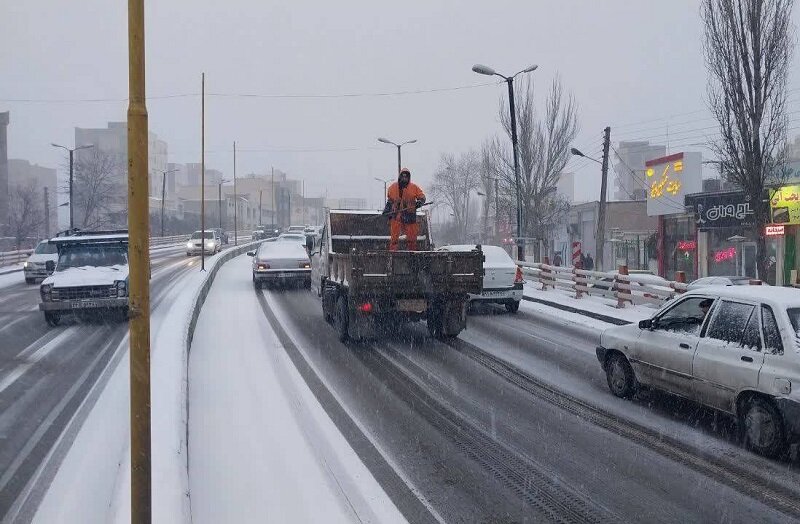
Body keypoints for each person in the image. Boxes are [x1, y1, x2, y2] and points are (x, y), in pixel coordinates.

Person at [384, 168, 426, 251]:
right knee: (394, 239)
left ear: (409, 178)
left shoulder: (414, 187)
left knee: (412, 239)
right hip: (396, 216)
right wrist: (387, 210)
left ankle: (412, 255)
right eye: (403, 177)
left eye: (406, 177)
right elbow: (390, 201)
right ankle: (393, 255)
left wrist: (419, 202)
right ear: (400, 177)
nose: (404, 179)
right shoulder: (392, 188)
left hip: (410, 216)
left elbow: (422, 197)